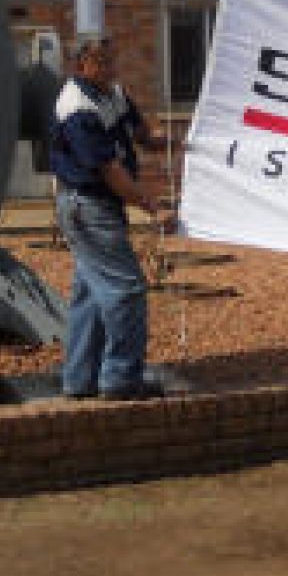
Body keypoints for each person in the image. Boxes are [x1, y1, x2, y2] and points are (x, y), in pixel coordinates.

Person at [50, 32, 174, 401]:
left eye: (112, 59)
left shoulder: (112, 94)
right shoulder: (77, 108)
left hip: (95, 207)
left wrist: (175, 139)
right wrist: (152, 206)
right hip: (88, 206)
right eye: (101, 62)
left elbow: (143, 134)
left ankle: (79, 381)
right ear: (80, 65)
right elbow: (111, 172)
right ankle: (120, 381)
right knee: (126, 290)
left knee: (90, 295)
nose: (109, 68)